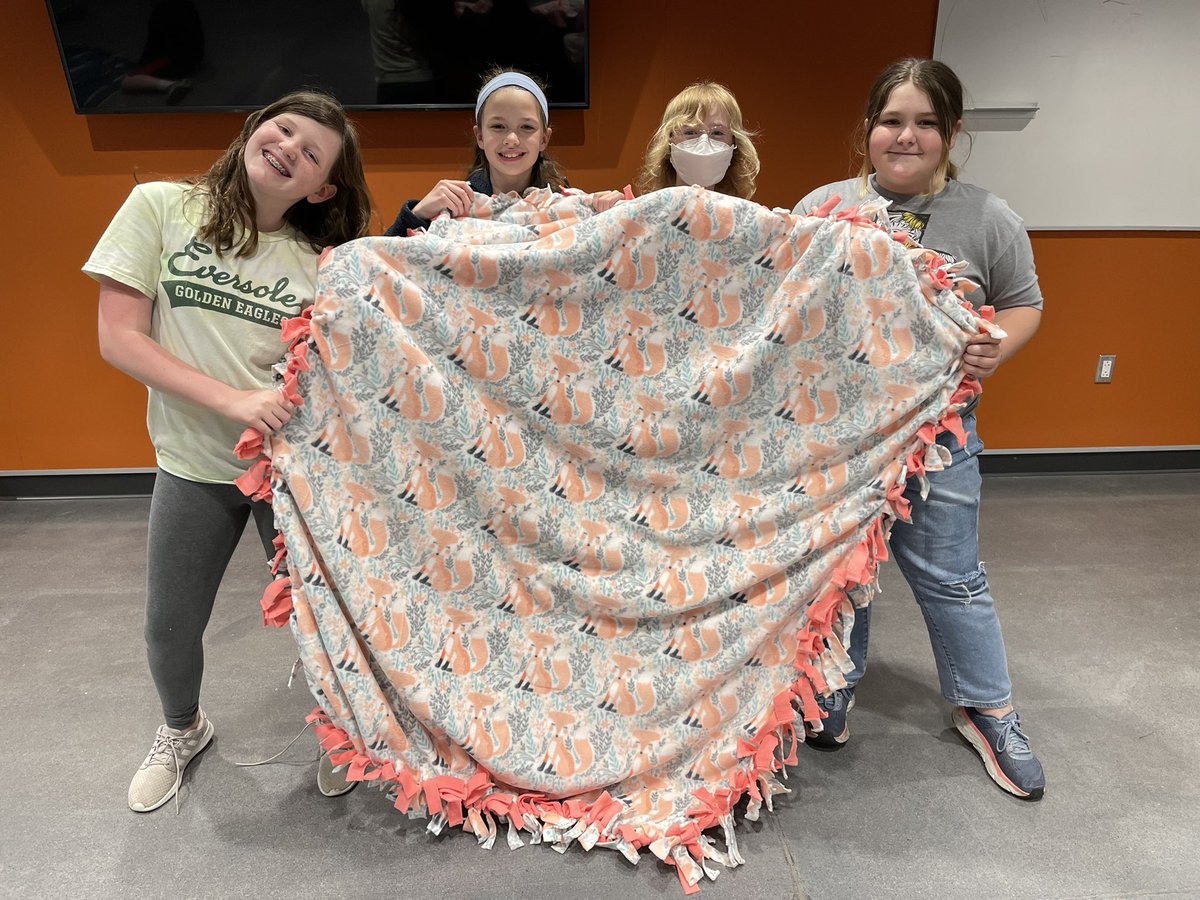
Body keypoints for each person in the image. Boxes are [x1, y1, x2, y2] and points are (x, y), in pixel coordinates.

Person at [84, 90, 373, 812]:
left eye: (311, 154)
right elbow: (119, 338)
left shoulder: (319, 260)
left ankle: (341, 731)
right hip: (196, 465)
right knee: (171, 624)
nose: (288, 150)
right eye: (282, 129)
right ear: (253, 127)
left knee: (323, 620)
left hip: (296, 474)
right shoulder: (160, 207)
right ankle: (183, 729)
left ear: (322, 187)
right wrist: (236, 402)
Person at [794, 58, 1046, 800]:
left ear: (951, 134)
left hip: (941, 442)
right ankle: (831, 689)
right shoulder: (823, 207)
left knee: (954, 579)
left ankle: (987, 708)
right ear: (868, 129)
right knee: (841, 574)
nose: (906, 136)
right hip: (841, 442)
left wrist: (999, 342)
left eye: (926, 124)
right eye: (892, 120)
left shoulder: (987, 217)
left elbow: (1025, 301)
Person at [384, 67, 621, 236]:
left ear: (544, 139)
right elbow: (379, 265)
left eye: (526, 127)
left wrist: (617, 212)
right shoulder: (452, 205)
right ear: (480, 136)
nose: (511, 139)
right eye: (498, 126)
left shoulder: (571, 207)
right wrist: (417, 213)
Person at [635, 81, 760, 199]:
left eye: (717, 133)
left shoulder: (745, 219)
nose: (703, 144)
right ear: (669, 142)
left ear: (734, 144)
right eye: (690, 132)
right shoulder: (638, 216)